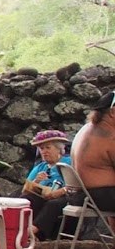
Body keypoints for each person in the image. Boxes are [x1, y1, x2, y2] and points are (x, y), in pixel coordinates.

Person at [20, 130, 71, 239]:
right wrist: (36, 181)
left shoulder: (69, 163)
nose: (44, 151)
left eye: (48, 148)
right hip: (44, 196)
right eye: (42, 149)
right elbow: (25, 189)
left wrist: (60, 191)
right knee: (26, 198)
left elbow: (78, 184)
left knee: (52, 204)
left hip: (65, 196)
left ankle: (30, 232)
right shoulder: (40, 167)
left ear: (59, 149)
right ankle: (20, 227)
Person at [73, 91, 115, 220]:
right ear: (113, 112)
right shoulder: (109, 136)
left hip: (81, 194)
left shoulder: (85, 129)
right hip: (99, 196)